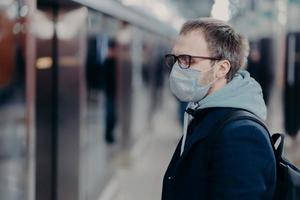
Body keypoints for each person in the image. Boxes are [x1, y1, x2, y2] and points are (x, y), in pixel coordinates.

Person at [162, 18, 276, 200]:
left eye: (187, 60)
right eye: (175, 59)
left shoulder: (242, 134)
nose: (178, 68)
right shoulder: (204, 112)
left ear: (222, 68)